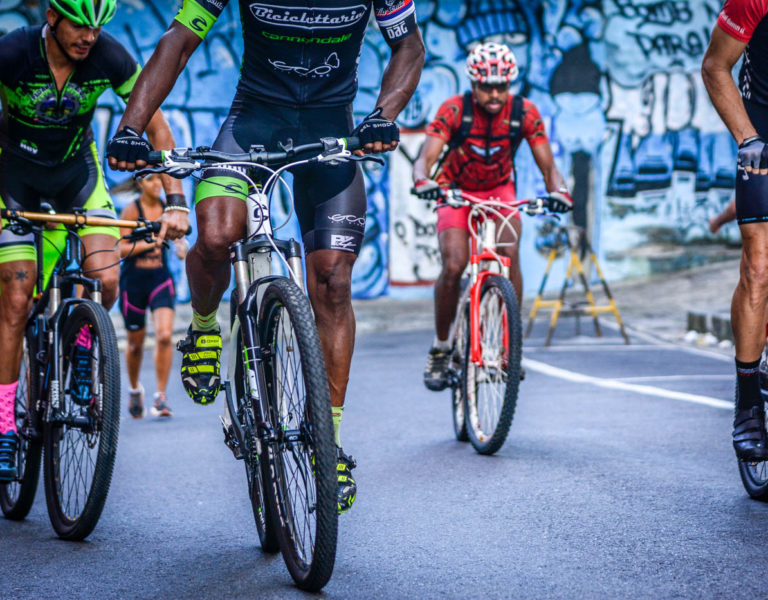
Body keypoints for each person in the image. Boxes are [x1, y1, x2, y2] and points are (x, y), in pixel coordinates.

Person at [105, 0, 425, 513]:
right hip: (251, 124)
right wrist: (130, 128)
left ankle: (327, 441)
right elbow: (178, 40)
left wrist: (382, 116)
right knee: (214, 236)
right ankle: (207, 326)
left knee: (334, 283)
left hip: (330, 131)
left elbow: (408, 45)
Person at [0, 0, 190, 481]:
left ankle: (83, 343)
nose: (90, 35)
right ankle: (4, 428)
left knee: (106, 277)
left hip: (76, 175)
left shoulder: (109, 54)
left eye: (97, 26)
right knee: (17, 299)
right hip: (13, 177)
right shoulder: (14, 52)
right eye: (80, 25)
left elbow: (156, 123)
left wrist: (175, 198)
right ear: (52, 18)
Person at [411, 42, 572, 392]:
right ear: (473, 83)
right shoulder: (453, 110)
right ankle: (441, 348)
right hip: (453, 190)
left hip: (499, 190)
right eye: (487, 86)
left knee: (510, 253)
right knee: (454, 266)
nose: (495, 93)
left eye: (502, 85)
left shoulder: (524, 112)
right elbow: (425, 157)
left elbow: (550, 168)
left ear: (510, 83)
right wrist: (422, 180)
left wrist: (560, 191)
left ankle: (508, 347)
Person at [702, 0, 768, 461]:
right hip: (762, 135)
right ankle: (748, 403)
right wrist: (748, 139)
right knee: (759, 268)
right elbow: (716, 66)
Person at [118, 174, 188, 419]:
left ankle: (160, 397)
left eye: (159, 180)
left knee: (165, 335)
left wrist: (181, 247)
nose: (156, 185)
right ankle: (135, 389)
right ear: (140, 184)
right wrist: (153, 242)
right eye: (150, 180)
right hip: (134, 282)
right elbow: (121, 249)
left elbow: (180, 238)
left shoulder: (166, 210)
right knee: (135, 344)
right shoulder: (131, 210)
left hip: (160, 279)